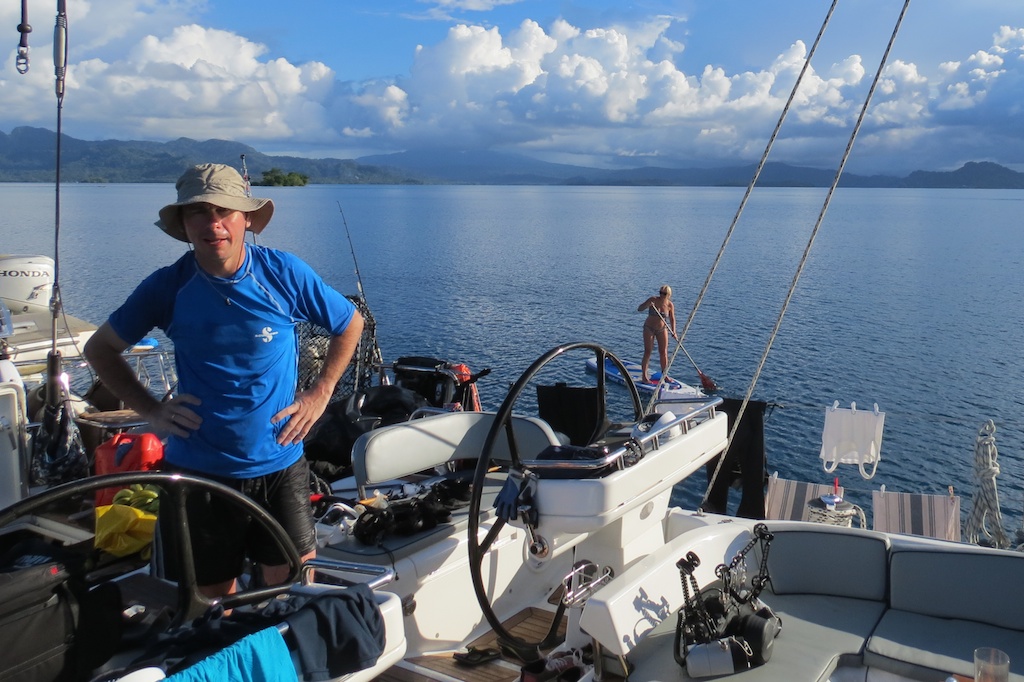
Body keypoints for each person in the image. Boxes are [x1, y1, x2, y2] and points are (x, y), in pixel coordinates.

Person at [84, 163, 364, 598]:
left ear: (246, 219)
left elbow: (350, 323)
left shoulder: (283, 274)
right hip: (200, 472)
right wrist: (152, 411)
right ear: (183, 223)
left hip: (280, 464)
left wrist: (320, 392)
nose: (213, 224)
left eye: (224, 211)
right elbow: (100, 349)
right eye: (198, 212)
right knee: (213, 601)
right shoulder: (167, 287)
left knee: (293, 588)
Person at [637, 285, 677, 383]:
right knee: (648, 351)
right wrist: (647, 305)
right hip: (649, 328)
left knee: (663, 352)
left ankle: (665, 375)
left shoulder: (670, 305)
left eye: (664, 294)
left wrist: (674, 331)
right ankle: (644, 377)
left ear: (668, 295)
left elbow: (672, 319)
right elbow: (639, 309)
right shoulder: (653, 300)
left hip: (661, 329)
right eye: (660, 293)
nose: (661, 295)